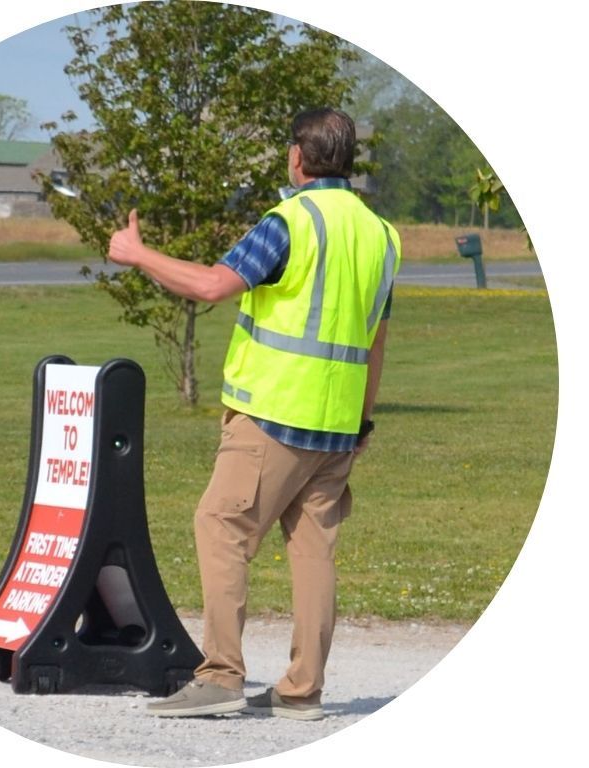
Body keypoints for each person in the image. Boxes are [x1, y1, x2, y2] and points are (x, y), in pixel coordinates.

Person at [108, 107, 401, 721]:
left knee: (220, 526)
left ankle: (219, 676)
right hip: (338, 425)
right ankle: (302, 691)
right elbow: (375, 341)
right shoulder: (382, 236)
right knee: (313, 552)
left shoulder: (289, 221)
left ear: (298, 156)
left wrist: (138, 254)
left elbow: (213, 285)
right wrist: (363, 420)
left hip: (272, 414)